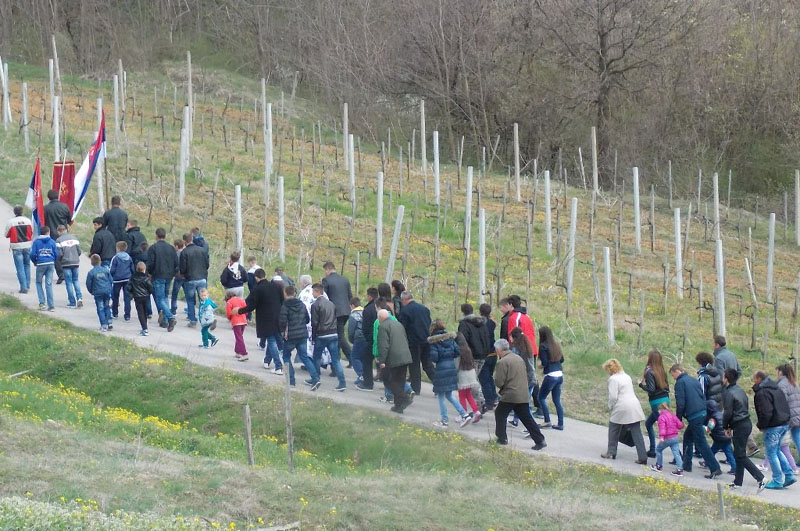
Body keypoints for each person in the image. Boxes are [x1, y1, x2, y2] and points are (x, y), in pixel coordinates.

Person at [493, 339, 547, 450]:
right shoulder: (518, 358)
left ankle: (502, 438)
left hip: (510, 394)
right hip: (523, 393)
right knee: (526, 417)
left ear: (498, 350)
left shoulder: (502, 362)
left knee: (500, 413)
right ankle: (540, 440)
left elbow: (499, 381)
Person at [670, 364, 721, 478]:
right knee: (688, 437)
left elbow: (681, 402)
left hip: (694, 415)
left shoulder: (680, 383)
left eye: (673, 374)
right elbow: (702, 396)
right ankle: (686, 464)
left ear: (677, 371)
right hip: (702, 412)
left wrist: (678, 419)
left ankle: (715, 467)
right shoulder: (694, 380)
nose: (673, 377)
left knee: (701, 441)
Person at [713, 336, 759, 457]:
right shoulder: (731, 354)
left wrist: (725, 386)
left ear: (717, 345)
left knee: (725, 416)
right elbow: (739, 370)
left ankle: (724, 443)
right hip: (734, 388)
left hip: (725, 391)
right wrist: (734, 382)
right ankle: (749, 444)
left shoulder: (718, 358)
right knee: (738, 417)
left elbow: (719, 376)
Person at [722, 369, 766, 491]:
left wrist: (726, 426)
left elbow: (728, 412)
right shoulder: (740, 390)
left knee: (740, 455)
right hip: (745, 423)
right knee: (739, 453)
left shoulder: (728, 393)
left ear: (726, 379)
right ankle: (738, 482)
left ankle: (761, 478)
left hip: (739, 425)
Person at [752, 370, 796, 489]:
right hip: (784, 423)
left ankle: (777, 480)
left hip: (773, 426)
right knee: (777, 451)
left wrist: (762, 426)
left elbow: (766, 412)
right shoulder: (776, 388)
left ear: (759, 379)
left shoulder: (762, 392)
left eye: (754, 378)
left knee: (771, 453)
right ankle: (789, 474)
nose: (753, 381)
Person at [236, 268, 285, 373]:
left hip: (266, 319)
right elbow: (282, 300)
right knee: (276, 339)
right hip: (278, 317)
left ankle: (278, 366)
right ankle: (267, 361)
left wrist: (239, 311)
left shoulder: (258, 289)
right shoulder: (275, 286)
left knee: (271, 341)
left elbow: (251, 306)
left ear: (256, 278)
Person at [427, 320, 472, 429]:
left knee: (441, 396)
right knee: (449, 395)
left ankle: (444, 420)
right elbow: (457, 351)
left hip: (441, 368)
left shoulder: (434, 341)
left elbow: (434, 357)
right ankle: (464, 414)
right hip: (451, 367)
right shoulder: (450, 339)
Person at [601, 358, 647, 463]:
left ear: (609, 369)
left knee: (613, 428)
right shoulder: (626, 376)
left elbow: (613, 397)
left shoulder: (613, 379)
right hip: (634, 405)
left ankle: (611, 451)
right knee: (636, 432)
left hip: (621, 406)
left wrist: (610, 407)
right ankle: (642, 456)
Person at [279, 285, 317, 388]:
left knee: (286, 356)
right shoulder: (302, 304)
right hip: (302, 335)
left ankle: (291, 380)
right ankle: (315, 378)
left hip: (290, 336)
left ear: (285, 293)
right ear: (294, 294)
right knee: (304, 357)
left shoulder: (285, 306)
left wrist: (282, 331)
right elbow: (307, 319)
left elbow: (282, 322)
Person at [458, 303, 494, 410]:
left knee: (472, 379)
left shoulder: (464, 324)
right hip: (483, 355)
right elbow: (487, 338)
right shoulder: (482, 323)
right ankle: (478, 400)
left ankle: (480, 401)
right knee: (475, 378)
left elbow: (462, 341)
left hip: (470, 356)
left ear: (463, 312)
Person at [311, 283, 347, 391]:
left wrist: (313, 337)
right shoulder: (331, 304)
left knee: (316, 357)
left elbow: (315, 322)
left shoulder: (315, 305)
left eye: (313, 291)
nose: (312, 293)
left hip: (322, 334)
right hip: (333, 333)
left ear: (317, 292)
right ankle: (342, 382)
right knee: (335, 360)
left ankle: (315, 378)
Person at [399, 291, 435, 395]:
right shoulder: (424, 309)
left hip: (414, 341)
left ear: (404, 300)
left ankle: (416, 388)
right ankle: (439, 384)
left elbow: (402, 327)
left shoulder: (405, 311)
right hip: (426, 339)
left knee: (414, 366)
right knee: (427, 364)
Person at [376, 309, 413, 413]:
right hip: (405, 356)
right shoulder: (398, 324)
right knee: (400, 381)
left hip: (393, 357)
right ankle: (398, 406)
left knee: (388, 380)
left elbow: (383, 345)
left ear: (380, 318)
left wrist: (382, 361)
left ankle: (405, 398)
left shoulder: (383, 326)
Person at [638, 350, 670, 458]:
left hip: (656, 402)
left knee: (667, 430)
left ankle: (678, 456)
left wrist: (641, 385)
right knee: (648, 423)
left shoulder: (649, 372)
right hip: (665, 400)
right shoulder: (662, 371)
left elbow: (651, 389)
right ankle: (652, 450)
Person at [146, 227, 178, 332]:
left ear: (156, 235)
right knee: (165, 298)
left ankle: (170, 317)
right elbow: (176, 263)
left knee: (160, 299)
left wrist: (149, 273)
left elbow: (150, 263)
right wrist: (173, 273)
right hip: (169, 276)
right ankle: (164, 321)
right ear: (165, 236)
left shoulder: (153, 248)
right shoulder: (171, 248)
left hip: (158, 275)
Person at [322, 261, 353, 367]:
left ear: (328, 269)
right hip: (346, 311)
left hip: (334, 312)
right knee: (338, 335)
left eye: (325, 271)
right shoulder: (345, 279)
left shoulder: (326, 280)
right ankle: (338, 359)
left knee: (339, 336)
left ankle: (350, 357)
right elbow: (350, 296)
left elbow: (324, 298)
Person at [179, 232, 210, 327]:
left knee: (191, 300)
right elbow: (207, 265)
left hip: (190, 279)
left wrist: (183, 274)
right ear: (192, 239)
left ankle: (193, 320)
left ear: (185, 242)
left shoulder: (184, 252)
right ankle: (207, 318)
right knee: (203, 299)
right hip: (202, 278)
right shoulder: (202, 250)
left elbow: (183, 268)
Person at [537, 326, 564, 430]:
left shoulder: (543, 346)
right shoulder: (556, 344)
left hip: (551, 375)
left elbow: (544, 362)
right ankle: (560, 424)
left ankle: (547, 420)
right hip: (559, 374)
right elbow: (562, 360)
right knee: (557, 400)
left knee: (541, 397)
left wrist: (541, 366)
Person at [508, 327, 536, 428]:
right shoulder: (527, 347)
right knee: (521, 402)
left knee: (524, 405)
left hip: (523, 380)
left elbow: (513, 364)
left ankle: (533, 428)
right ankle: (515, 420)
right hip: (531, 378)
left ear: (514, 337)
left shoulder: (515, 349)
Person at [43, 189, 71, 283]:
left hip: (52, 235)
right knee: (66, 253)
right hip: (64, 233)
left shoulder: (46, 208)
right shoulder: (64, 206)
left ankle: (61, 273)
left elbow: (43, 221)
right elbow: (69, 219)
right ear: (57, 196)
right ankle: (68, 273)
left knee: (56, 255)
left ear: (49, 198)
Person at [702, 399, 736, 475]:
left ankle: (707, 462)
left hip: (719, 438)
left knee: (711, 451)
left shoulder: (713, 418)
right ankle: (735, 468)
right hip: (727, 437)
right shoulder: (722, 414)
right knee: (729, 453)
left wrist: (701, 427)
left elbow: (708, 428)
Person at [650, 402, 684, 476]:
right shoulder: (672, 415)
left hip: (667, 437)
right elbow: (680, 425)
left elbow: (662, 428)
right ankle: (679, 469)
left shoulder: (661, 417)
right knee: (676, 453)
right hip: (675, 437)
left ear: (661, 409)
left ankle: (659, 466)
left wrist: (661, 437)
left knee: (658, 449)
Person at [5, 205, 33, 293]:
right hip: (27, 245)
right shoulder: (28, 221)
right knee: (27, 265)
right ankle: (27, 284)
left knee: (20, 267)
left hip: (16, 246)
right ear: (22, 211)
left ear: (14, 212)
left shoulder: (11, 222)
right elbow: (31, 232)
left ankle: (23, 287)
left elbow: (6, 235)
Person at [776, 364, 800, 466]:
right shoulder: (794, 383)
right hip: (797, 414)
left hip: (789, 415)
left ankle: (769, 464)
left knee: (778, 441)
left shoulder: (782, 384)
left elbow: (782, 401)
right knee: (797, 437)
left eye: (777, 371)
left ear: (781, 372)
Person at [30, 225, 58, 311]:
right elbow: (56, 253)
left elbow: (32, 254)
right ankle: (51, 305)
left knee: (38, 282)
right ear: (48, 232)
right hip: (50, 263)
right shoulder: (52, 242)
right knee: (48, 284)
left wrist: (35, 261)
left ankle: (42, 303)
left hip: (41, 263)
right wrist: (53, 260)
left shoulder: (36, 242)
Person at [55, 224, 82, 308]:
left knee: (69, 282)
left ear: (59, 231)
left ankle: (72, 302)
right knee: (76, 280)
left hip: (66, 263)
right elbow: (79, 252)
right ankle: (79, 298)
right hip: (75, 262)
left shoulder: (58, 240)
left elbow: (59, 254)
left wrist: (59, 261)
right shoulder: (74, 238)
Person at [455, 337, 482, 423]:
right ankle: (476, 411)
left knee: (461, 395)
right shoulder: (468, 350)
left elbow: (456, 365)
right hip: (471, 373)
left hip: (463, 374)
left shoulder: (458, 351)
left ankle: (463, 414)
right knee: (468, 395)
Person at [358, 287, 379, 391]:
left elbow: (365, 327)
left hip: (371, 340)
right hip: (382, 338)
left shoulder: (368, 309)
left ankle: (368, 383)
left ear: (369, 296)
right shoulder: (382, 307)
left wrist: (368, 338)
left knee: (367, 361)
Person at [85, 254, 113, 332]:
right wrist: (110, 289)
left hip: (98, 292)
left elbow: (88, 284)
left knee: (100, 308)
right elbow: (111, 280)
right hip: (107, 291)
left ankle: (103, 325)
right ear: (100, 261)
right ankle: (109, 322)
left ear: (91, 263)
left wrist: (91, 291)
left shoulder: (91, 272)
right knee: (107, 306)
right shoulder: (106, 270)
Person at [126, 261, 153, 336]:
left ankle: (144, 328)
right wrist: (148, 293)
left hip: (137, 297)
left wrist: (131, 294)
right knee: (145, 312)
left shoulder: (133, 278)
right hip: (145, 296)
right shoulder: (146, 279)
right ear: (144, 269)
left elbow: (128, 287)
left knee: (140, 312)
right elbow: (151, 288)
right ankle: (145, 326)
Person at [109, 241, 134, 321]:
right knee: (127, 297)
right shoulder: (129, 257)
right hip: (127, 278)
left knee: (115, 296)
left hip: (117, 280)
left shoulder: (115, 258)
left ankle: (115, 313)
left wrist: (111, 276)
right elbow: (132, 268)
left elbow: (112, 269)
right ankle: (127, 315)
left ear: (118, 248)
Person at [225, 290, 249, 361]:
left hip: (236, 322)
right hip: (243, 321)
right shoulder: (241, 300)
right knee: (239, 336)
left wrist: (230, 318)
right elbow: (246, 310)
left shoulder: (229, 302)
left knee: (239, 338)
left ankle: (244, 353)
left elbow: (229, 314)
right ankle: (237, 351)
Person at [347, 297, 365, 386]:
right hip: (367, 337)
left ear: (352, 306)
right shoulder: (365, 311)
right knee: (363, 358)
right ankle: (364, 375)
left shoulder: (353, 315)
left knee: (354, 357)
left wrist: (351, 339)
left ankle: (361, 375)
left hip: (359, 337)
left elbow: (351, 330)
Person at [170, 239, 185, 316]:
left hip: (178, 275)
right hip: (186, 276)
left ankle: (173, 309)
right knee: (188, 295)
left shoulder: (176, 254)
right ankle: (190, 311)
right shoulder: (185, 252)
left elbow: (174, 265)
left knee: (175, 293)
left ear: (176, 246)